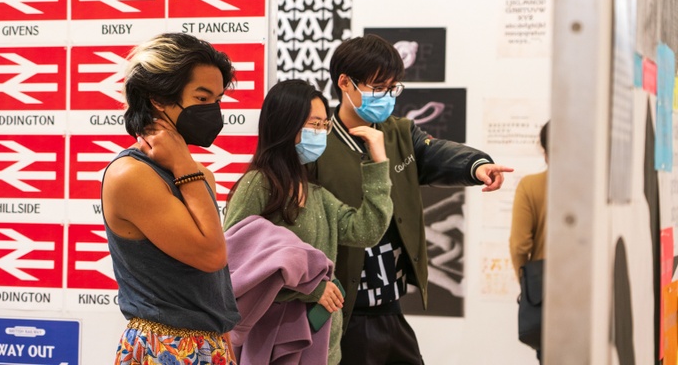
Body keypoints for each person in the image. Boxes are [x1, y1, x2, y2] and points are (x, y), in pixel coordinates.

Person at [309, 34, 514, 364]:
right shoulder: (317, 141)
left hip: (390, 301)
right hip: (343, 305)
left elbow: (437, 154)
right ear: (345, 83)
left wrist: (477, 166)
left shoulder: (399, 133)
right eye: (378, 86)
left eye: (393, 88)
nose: (387, 96)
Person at [223, 79, 394, 365]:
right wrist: (311, 288)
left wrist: (378, 162)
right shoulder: (258, 185)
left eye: (324, 125)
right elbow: (236, 265)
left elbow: (367, 231)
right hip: (274, 341)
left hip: (322, 342)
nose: (321, 132)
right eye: (314, 124)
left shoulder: (316, 193)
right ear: (286, 124)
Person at [101, 32, 240, 365]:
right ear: (158, 97)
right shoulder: (131, 175)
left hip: (209, 343)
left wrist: (223, 339)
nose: (213, 111)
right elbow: (211, 255)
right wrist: (184, 166)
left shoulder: (196, 174)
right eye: (202, 98)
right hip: (163, 346)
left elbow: (211, 283)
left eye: (218, 99)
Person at [509, 120, 549, 362]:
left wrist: (527, 287)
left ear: (544, 148)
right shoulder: (600, 188)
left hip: (546, 293)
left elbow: (519, 246)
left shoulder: (531, 186)